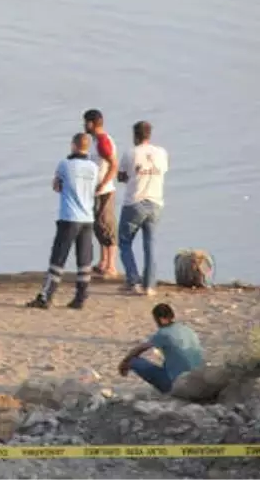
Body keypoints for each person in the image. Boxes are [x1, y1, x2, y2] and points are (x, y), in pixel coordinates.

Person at [27, 133, 98, 310]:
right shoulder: (94, 167)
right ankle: (80, 298)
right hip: (88, 217)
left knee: (58, 257)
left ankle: (46, 297)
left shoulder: (65, 164)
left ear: (73, 145)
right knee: (84, 259)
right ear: (87, 147)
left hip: (69, 216)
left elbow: (56, 186)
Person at [118, 121, 169, 296]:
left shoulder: (130, 153)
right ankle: (149, 285)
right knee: (150, 244)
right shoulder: (161, 153)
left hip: (135, 202)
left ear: (135, 136)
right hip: (156, 202)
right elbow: (163, 172)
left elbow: (122, 176)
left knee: (124, 242)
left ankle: (133, 280)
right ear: (149, 135)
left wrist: (133, 176)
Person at [118, 303, 204, 394]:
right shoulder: (187, 329)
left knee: (133, 360)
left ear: (160, 319)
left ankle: (167, 388)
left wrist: (124, 363)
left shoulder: (163, 333)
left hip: (178, 385)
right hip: (198, 381)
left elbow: (139, 349)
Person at [84, 109, 120, 278]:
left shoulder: (103, 142)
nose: (84, 125)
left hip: (104, 191)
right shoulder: (95, 141)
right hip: (96, 190)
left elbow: (114, 164)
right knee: (99, 226)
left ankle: (112, 265)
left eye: (86, 122)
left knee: (107, 226)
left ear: (91, 123)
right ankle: (102, 262)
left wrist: (103, 183)